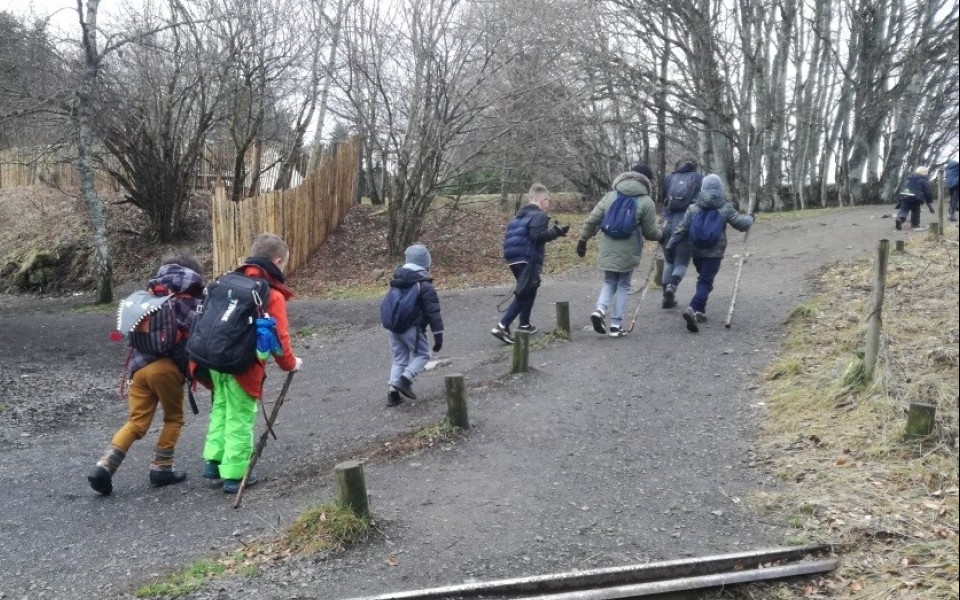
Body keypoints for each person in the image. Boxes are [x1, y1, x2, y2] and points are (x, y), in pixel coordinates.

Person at [87, 253, 205, 495]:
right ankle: (162, 467)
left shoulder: (149, 296)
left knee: (135, 422)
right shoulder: (188, 300)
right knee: (173, 418)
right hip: (166, 369)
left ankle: (105, 465)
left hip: (138, 369)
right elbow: (197, 333)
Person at [194, 233, 302, 494]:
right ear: (277, 261)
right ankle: (235, 474)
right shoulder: (270, 295)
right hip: (242, 365)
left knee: (221, 408)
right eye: (284, 264)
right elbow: (280, 339)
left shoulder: (229, 281)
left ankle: (215, 460)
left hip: (213, 359)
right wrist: (291, 364)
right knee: (241, 417)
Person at [575, 166, 662, 337]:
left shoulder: (611, 196)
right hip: (629, 251)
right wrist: (663, 234)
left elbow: (592, 220)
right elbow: (650, 233)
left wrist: (582, 240)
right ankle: (616, 325)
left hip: (608, 248)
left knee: (609, 282)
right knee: (623, 285)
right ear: (647, 182)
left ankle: (600, 310)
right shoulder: (646, 202)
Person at [665, 174, 753, 333]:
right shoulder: (724, 207)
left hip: (697, 252)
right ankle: (692, 308)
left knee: (704, 280)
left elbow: (681, 229)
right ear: (720, 188)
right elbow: (741, 224)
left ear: (703, 188)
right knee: (705, 282)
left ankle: (700, 311)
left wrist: (670, 246)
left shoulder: (693, 207)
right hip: (714, 252)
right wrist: (750, 218)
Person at [491, 183, 568, 344]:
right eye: (548, 200)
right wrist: (557, 232)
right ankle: (502, 326)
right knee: (525, 292)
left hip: (513, 258)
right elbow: (536, 236)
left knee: (530, 288)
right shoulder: (539, 215)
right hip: (528, 257)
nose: (549, 203)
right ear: (542, 199)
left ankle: (524, 324)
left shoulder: (518, 216)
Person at [381, 244, 444, 406]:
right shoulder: (424, 285)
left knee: (399, 358)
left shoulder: (397, 279)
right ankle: (405, 380)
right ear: (426, 264)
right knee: (424, 355)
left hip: (393, 327)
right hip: (411, 327)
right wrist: (438, 334)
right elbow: (433, 312)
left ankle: (393, 394)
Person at [659, 154, 704, 309]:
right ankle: (672, 286)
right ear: (694, 164)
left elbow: (663, 201)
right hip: (685, 223)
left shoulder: (668, 178)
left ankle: (667, 299)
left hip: (666, 223)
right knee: (681, 262)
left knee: (669, 261)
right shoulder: (699, 178)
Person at [895, 166, 934, 230]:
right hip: (916, 199)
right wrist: (929, 204)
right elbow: (928, 192)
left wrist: (900, 199)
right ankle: (915, 224)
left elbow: (903, 188)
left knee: (904, 210)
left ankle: (900, 219)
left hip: (906, 197)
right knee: (916, 212)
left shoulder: (909, 178)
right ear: (925, 173)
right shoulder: (924, 181)